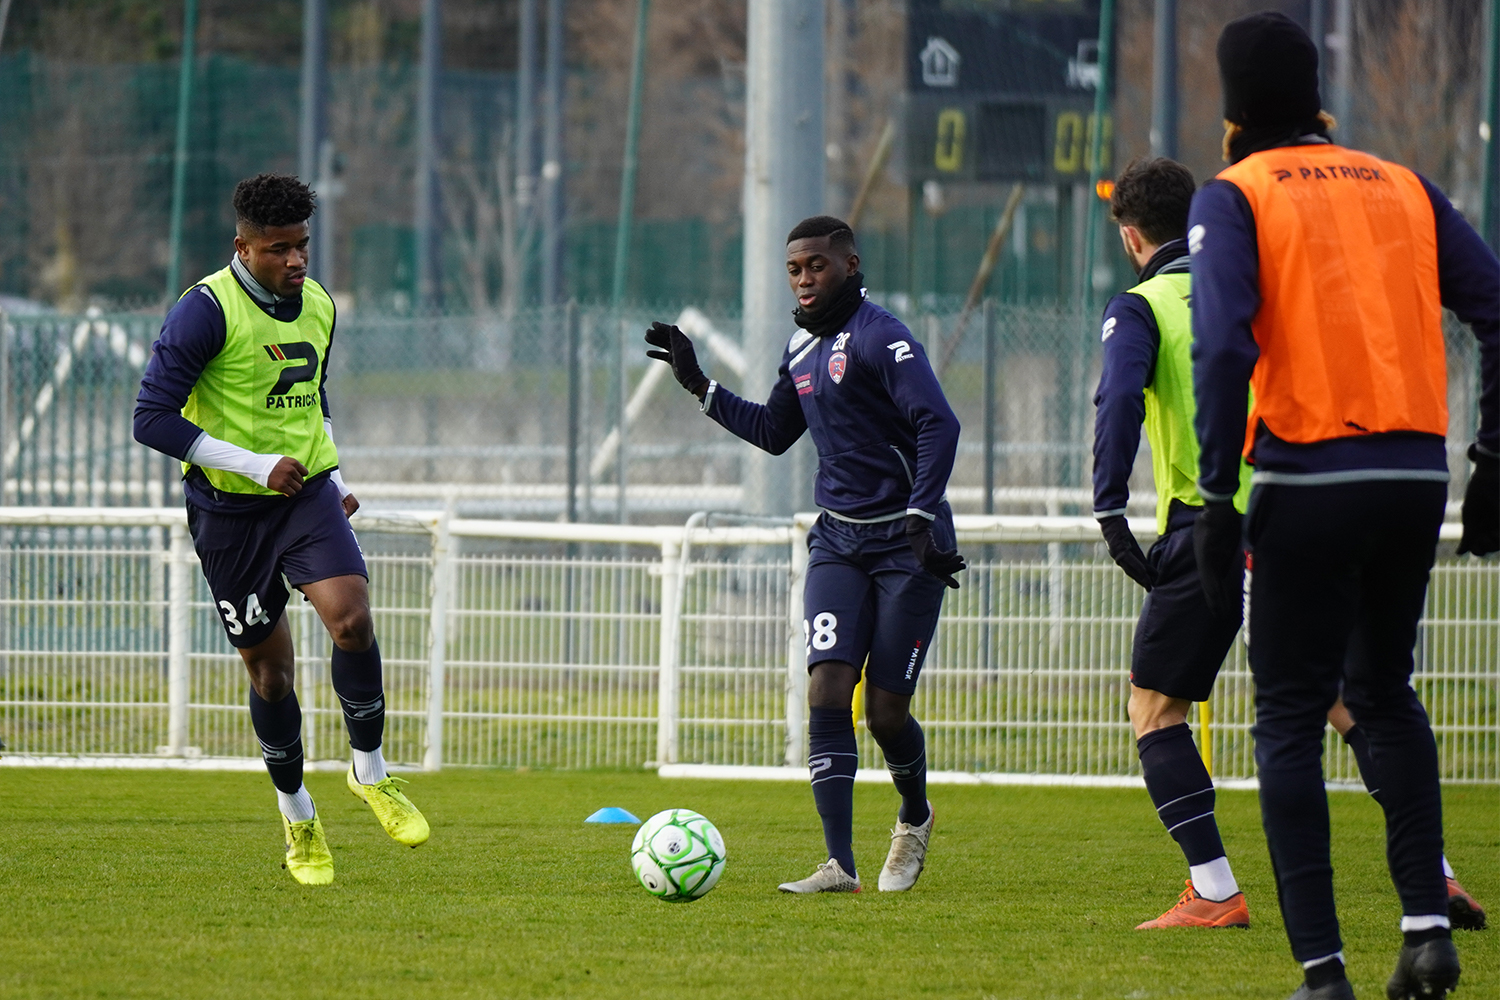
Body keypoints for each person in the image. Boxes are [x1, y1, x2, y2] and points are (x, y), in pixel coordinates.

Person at [1189, 13, 1497, 1000]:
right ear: (1319, 97)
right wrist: (1492, 456)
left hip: (1307, 472)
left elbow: (1226, 345)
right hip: (1414, 473)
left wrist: (1212, 495)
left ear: (1233, 110)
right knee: (1383, 689)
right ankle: (1422, 930)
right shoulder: (1403, 183)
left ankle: (1323, 973)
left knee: (1285, 714)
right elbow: (1495, 308)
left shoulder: (1236, 193)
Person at [644, 216, 964, 893]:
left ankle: (913, 817)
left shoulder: (884, 336)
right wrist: (698, 385)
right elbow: (772, 429)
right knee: (825, 689)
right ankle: (839, 865)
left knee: (883, 712)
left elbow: (941, 422)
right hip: (839, 541)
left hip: (907, 543)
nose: (804, 279)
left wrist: (920, 515)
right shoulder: (799, 347)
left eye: (816, 266)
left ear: (849, 264)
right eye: (794, 270)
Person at [134, 173, 429, 886]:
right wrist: (256, 465)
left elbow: (309, 394)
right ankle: (298, 817)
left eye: (301, 246)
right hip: (230, 513)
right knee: (271, 674)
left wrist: (342, 478)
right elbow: (151, 419)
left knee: (351, 619)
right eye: (278, 249)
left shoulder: (321, 303)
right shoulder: (204, 312)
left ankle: (370, 773)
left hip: (306, 494)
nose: (295, 261)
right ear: (243, 247)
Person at [1091, 157, 1251, 931]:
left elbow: (1119, 398)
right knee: (1348, 695)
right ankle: (1435, 875)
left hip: (1206, 523)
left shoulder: (1143, 304)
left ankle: (1215, 891)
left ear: (1130, 234)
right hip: (1297, 512)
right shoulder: (1246, 288)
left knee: (1154, 710)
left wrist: (1111, 515)